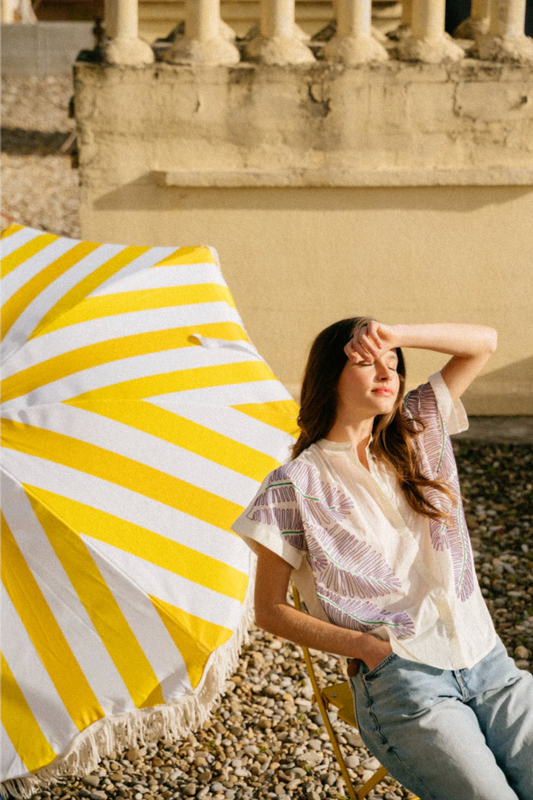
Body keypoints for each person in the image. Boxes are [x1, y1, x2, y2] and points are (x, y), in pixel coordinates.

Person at [231, 318, 533, 800]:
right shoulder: (294, 485)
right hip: (407, 683)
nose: (386, 371)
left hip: (488, 660)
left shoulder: (417, 432)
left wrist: (396, 334)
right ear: (330, 376)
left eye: (393, 363)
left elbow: (485, 342)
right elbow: (269, 610)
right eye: (367, 362)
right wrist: (367, 648)